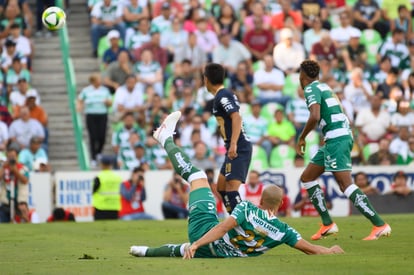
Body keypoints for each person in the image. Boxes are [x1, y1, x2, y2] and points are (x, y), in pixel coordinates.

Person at [129, 111, 344, 258]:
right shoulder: (283, 230)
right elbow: (309, 249)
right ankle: (143, 251)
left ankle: (165, 137)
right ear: (280, 204)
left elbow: (223, 226)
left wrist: (198, 243)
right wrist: (330, 250)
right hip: (221, 254)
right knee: (183, 249)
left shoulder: (247, 209)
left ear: (260, 200)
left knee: (198, 176)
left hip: (205, 234)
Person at [296, 59, 391, 241]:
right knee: (307, 178)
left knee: (345, 185)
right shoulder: (325, 87)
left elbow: (315, 115)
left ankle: (379, 224)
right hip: (336, 137)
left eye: (299, 74)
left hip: (337, 139)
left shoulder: (310, 89)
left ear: (303, 75)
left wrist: (302, 137)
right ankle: (327, 224)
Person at [203, 63, 252, 214]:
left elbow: (236, 117)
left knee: (231, 190)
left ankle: (245, 227)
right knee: (221, 188)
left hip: (239, 147)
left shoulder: (223, 96)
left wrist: (233, 144)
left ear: (206, 80)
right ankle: (234, 223)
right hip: (235, 146)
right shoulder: (223, 95)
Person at [77, 73, 112, 167]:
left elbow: (110, 102)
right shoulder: (86, 90)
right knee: (93, 136)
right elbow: (80, 99)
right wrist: (79, 107)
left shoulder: (105, 90)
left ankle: (99, 152)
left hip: (102, 114)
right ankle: (93, 157)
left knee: (102, 135)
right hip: (91, 115)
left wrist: (107, 102)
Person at [0, 146, 29, 223]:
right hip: (6, 200)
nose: (12, 159)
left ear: (17, 157)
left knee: (24, 221)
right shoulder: (4, 167)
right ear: (7, 157)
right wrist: (3, 168)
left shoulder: (22, 168)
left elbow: (25, 180)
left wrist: (15, 170)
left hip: (19, 201)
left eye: (13, 156)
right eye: (10, 157)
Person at [92, 155, 122, 220]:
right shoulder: (117, 177)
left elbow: (93, 191)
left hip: (101, 208)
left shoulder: (99, 177)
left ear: (102, 164)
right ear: (110, 165)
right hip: (114, 207)